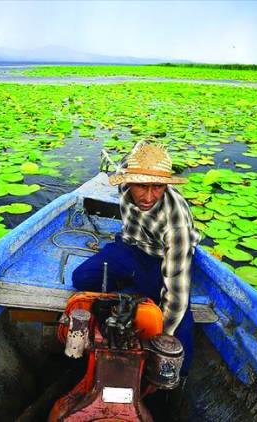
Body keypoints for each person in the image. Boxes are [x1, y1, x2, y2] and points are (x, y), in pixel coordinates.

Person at [71, 142, 200, 376]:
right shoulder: (124, 176)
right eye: (141, 185)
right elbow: (126, 161)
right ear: (128, 180)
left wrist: (163, 339)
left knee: (179, 321)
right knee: (81, 278)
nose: (149, 196)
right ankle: (126, 286)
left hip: (160, 260)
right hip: (131, 246)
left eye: (158, 187)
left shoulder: (176, 223)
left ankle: (179, 378)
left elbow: (176, 296)